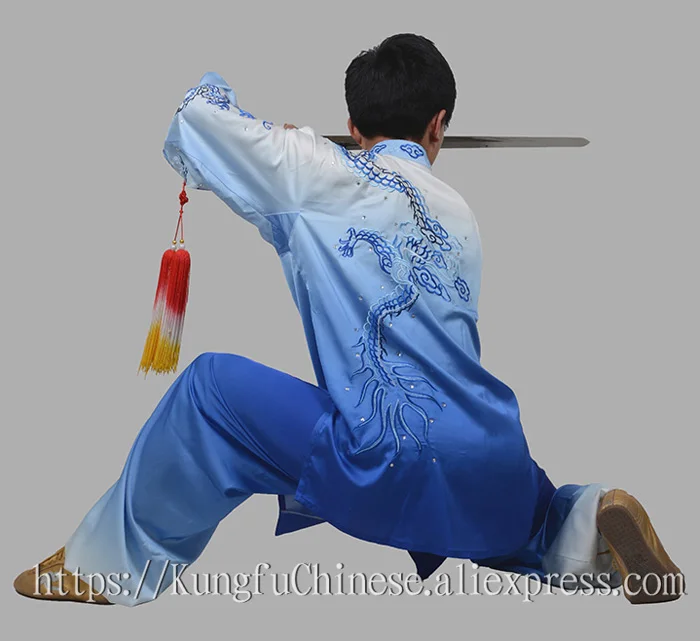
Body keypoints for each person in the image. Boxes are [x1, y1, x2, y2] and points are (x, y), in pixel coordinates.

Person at [14, 33, 684, 606]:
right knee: (518, 513)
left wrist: (273, 135)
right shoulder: (458, 212)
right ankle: (591, 518)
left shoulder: (316, 170)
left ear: (353, 123)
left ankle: (101, 568)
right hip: (493, 450)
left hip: (383, 453)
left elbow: (196, 116)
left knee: (210, 390)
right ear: (439, 125)